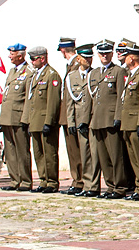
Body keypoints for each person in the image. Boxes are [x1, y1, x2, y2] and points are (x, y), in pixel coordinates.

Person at [86, 39, 128, 198]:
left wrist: (118, 116)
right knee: (103, 157)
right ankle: (110, 186)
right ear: (98, 54)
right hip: (97, 119)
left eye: (107, 53)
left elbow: (120, 96)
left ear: (112, 54)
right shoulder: (95, 73)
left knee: (115, 156)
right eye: (102, 53)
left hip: (111, 119)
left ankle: (119, 187)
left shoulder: (118, 71)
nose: (104, 56)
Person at [21, 45, 62, 193]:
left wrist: (49, 122)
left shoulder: (51, 75)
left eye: (33, 59)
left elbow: (53, 101)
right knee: (38, 153)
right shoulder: (35, 75)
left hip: (45, 120)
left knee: (49, 153)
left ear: (42, 58)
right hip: (35, 120)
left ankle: (52, 181)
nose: (31, 62)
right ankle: (43, 180)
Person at [66, 44, 100, 197]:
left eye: (90, 57)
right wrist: (71, 122)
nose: (88, 60)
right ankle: (85, 184)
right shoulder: (71, 77)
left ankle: (93, 185)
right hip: (78, 118)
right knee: (82, 154)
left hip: (92, 119)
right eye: (85, 57)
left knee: (92, 153)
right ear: (78, 58)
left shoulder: (95, 74)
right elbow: (69, 101)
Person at [0, 43, 33, 191]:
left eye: (12, 54)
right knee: (10, 150)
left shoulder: (28, 72)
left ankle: (25, 181)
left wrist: (25, 119)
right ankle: (15, 180)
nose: (9, 56)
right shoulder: (12, 72)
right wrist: (1, 119)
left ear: (20, 55)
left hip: (19, 118)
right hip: (7, 117)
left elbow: (28, 99)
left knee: (21, 150)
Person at [119, 43, 139, 199]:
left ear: (131, 58)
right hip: (127, 122)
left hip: (135, 122)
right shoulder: (131, 74)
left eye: (126, 56)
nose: (124, 59)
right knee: (133, 158)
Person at [57, 37, 83, 194]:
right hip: (67, 115)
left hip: (74, 115)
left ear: (62, 50)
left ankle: (80, 181)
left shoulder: (76, 65)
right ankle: (76, 180)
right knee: (72, 151)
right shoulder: (70, 65)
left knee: (77, 151)